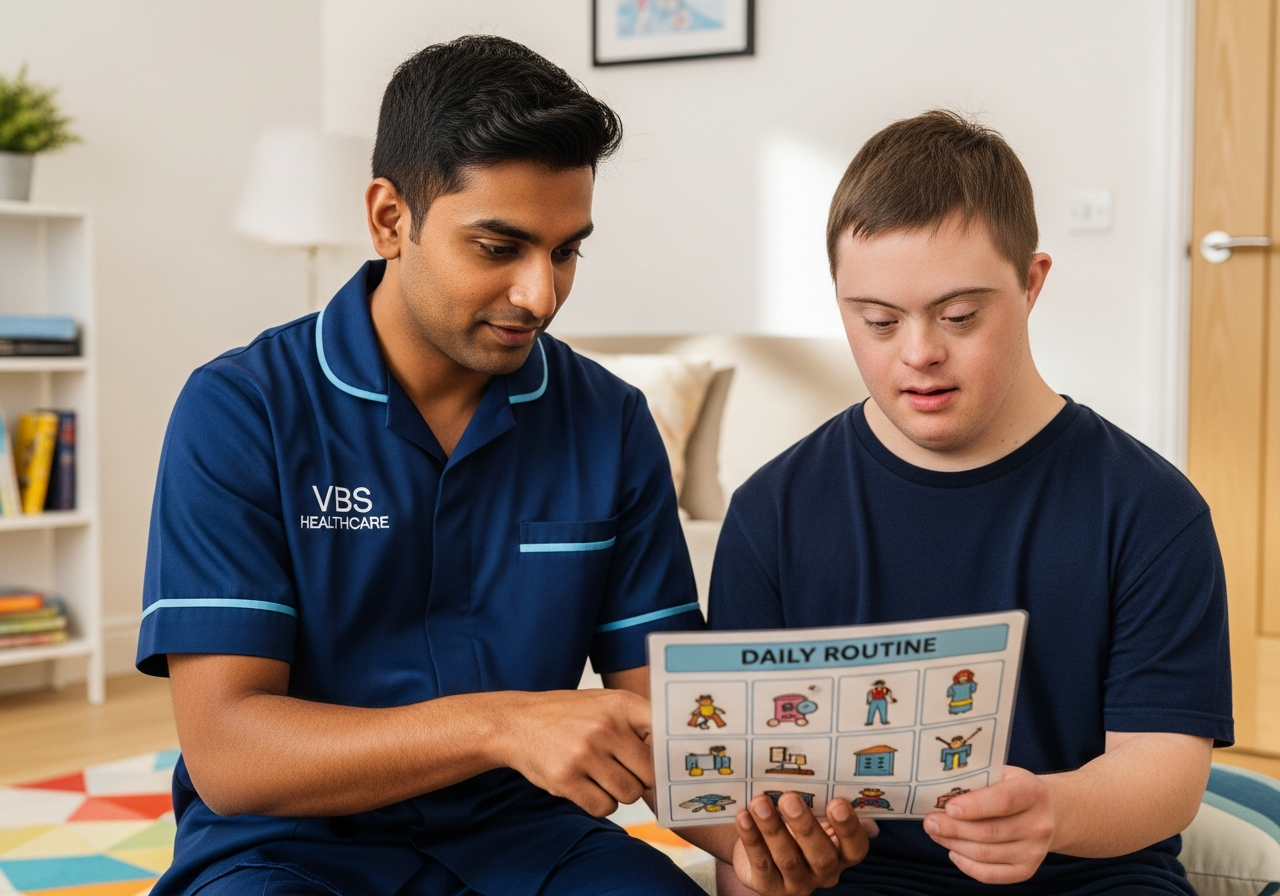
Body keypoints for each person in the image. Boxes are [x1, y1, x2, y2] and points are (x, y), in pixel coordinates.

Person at [136, 36, 721, 896]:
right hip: (288, 849)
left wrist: (765, 834)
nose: (541, 295)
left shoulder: (611, 420)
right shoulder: (240, 409)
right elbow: (230, 755)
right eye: (499, 247)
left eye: (566, 251)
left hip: (531, 840)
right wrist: (501, 726)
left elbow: (674, 721)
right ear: (388, 218)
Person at [710, 110, 1232, 894]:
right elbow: (747, 805)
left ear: (1031, 282)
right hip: (864, 879)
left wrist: (1050, 809)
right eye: (878, 320)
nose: (919, 352)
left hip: (1086, 874)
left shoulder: (1150, 509)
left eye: (959, 316)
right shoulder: (771, 512)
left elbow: (1166, 769)